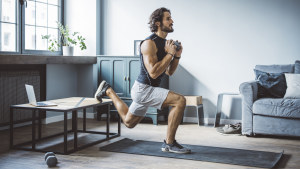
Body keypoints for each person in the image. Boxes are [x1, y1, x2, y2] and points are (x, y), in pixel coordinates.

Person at [95, 7, 191, 154]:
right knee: (180, 101)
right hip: (144, 89)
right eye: (168, 18)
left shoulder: (164, 44)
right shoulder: (148, 43)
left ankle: (108, 90)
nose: (172, 21)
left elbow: (169, 72)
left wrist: (176, 55)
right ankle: (169, 143)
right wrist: (169, 54)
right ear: (158, 23)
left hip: (144, 90)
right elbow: (153, 73)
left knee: (128, 122)